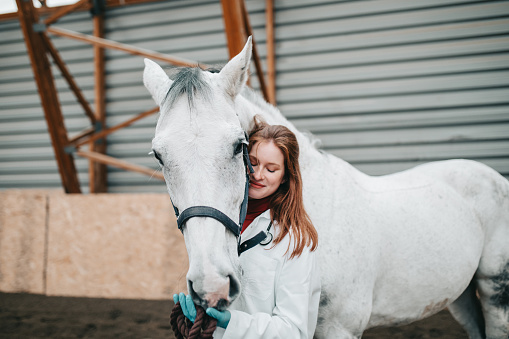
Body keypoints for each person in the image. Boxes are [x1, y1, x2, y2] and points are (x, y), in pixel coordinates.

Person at [174, 118, 320, 338]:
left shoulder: (296, 241)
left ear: (284, 177)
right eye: (252, 162)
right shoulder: (219, 223)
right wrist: (201, 313)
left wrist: (232, 322)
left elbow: (294, 330)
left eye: (271, 169)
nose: (258, 175)